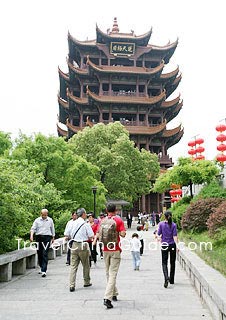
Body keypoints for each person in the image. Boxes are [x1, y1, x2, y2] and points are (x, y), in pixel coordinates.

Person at [97, 203, 126, 309]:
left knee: (108, 273)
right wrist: (118, 232)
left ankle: (114, 293)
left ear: (106, 210)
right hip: (115, 249)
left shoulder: (102, 221)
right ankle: (107, 298)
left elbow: (98, 234)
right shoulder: (118, 220)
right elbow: (123, 234)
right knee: (113, 273)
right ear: (116, 210)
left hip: (105, 249)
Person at [68, 208, 94, 292]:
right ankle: (86, 281)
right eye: (85, 214)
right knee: (86, 264)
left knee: (73, 266)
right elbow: (91, 236)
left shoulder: (72, 223)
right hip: (83, 244)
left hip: (74, 244)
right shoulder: (85, 224)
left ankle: (72, 284)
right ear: (83, 214)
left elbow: (66, 234)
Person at [30, 208, 55, 278]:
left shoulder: (50, 220)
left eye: (45, 215)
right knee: (39, 253)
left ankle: (44, 270)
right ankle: (41, 267)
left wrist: (53, 237)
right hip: (39, 237)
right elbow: (33, 228)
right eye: (42, 215)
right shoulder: (37, 220)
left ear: (47, 214)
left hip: (47, 238)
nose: (43, 216)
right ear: (41, 214)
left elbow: (52, 229)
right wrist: (31, 236)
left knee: (44, 253)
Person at [157, 210, 178, 288]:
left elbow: (158, 234)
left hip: (164, 245)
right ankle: (171, 279)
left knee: (164, 262)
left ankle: (166, 277)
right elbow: (175, 236)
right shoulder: (174, 225)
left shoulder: (161, 224)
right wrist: (177, 246)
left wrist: (159, 238)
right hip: (172, 245)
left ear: (164, 216)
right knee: (172, 262)